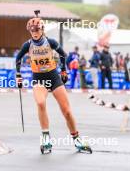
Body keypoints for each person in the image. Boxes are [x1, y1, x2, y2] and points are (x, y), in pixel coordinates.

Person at [15, 12, 92, 154]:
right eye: (32, 30)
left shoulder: (51, 42)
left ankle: (77, 139)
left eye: (37, 30)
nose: (35, 33)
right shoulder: (28, 45)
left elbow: (63, 54)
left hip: (53, 77)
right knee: (40, 103)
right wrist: (18, 75)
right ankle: (46, 138)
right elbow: (18, 59)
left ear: (42, 29)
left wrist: (63, 70)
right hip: (39, 78)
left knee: (67, 111)